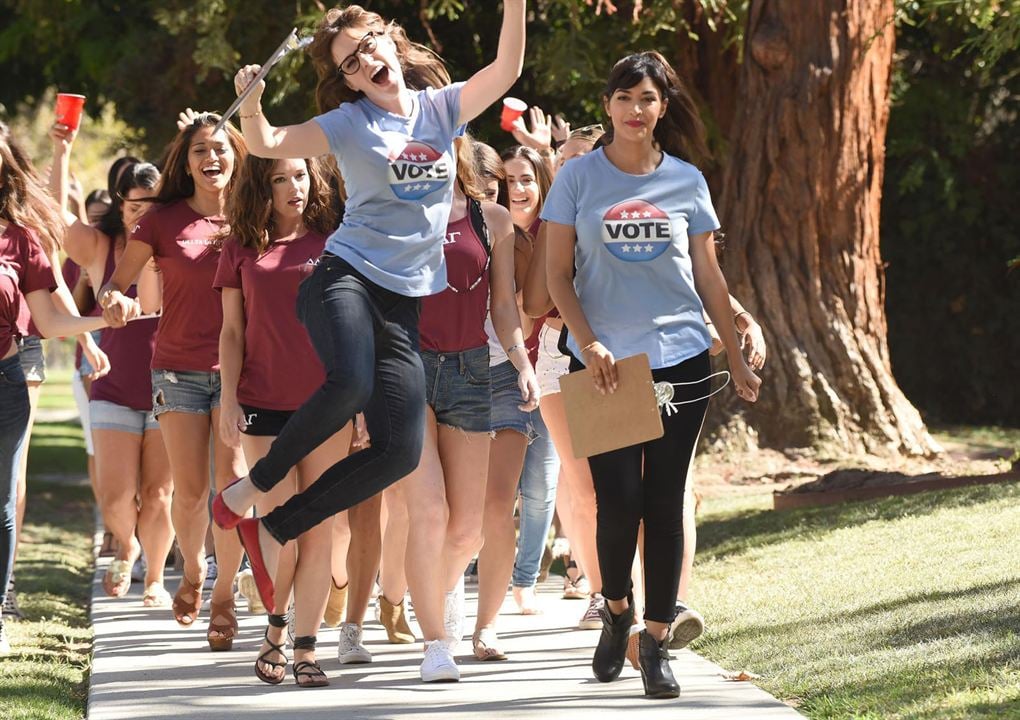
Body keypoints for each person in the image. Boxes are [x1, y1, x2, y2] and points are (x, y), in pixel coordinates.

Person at [209, 3, 527, 682]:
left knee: (396, 452)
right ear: (348, 81)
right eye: (351, 62)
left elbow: (507, 67)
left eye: (371, 47)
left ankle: (275, 520)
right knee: (350, 381)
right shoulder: (350, 124)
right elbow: (266, 142)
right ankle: (250, 491)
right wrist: (252, 103)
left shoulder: (442, 110)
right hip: (343, 279)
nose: (367, 63)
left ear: (394, 43)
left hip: (401, 307)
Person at [543, 52, 761, 699]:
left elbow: (709, 277)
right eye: (624, 98)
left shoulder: (687, 182)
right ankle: (616, 616)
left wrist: (738, 354)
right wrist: (590, 341)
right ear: (608, 105)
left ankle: (657, 641)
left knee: (665, 504)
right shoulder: (577, 179)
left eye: (648, 99)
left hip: (683, 358)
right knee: (619, 503)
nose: (635, 110)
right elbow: (557, 273)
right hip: (606, 365)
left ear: (662, 107)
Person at [99, 114, 249, 650]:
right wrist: (116, 299)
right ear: (185, 164)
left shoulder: (255, 214)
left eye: (220, 148)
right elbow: (116, 283)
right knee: (189, 493)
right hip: (178, 369)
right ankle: (191, 572)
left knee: (232, 485)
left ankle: (226, 595)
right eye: (199, 151)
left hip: (242, 372)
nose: (212, 158)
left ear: (237, 154)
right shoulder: (162, 220)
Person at [397, 133, 536, 678]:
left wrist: (522, 363)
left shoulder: (492, 220)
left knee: (467, 530)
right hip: (403, 369)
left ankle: (431, 587)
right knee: (428, 511)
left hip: (470, 369)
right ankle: (435, 644)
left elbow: (502, 305)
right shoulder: (388, 212)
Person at [216, 153, 358, 686]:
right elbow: (232, 333)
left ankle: (304, 646)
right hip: (262, 401)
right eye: (280, 179)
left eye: (300, 175)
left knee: (318, 524)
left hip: (329, 400)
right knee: (280, 524)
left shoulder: (339, 239)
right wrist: (228, 399)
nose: (293, 187)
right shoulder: (240, 246)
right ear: (263, 186)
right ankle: (276, 628)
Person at [0, 121, 110, 654]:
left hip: (12, 362)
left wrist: (95, 329)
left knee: (7, 484)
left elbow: (52, 301)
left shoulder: (22, 231)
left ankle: (3, 592)